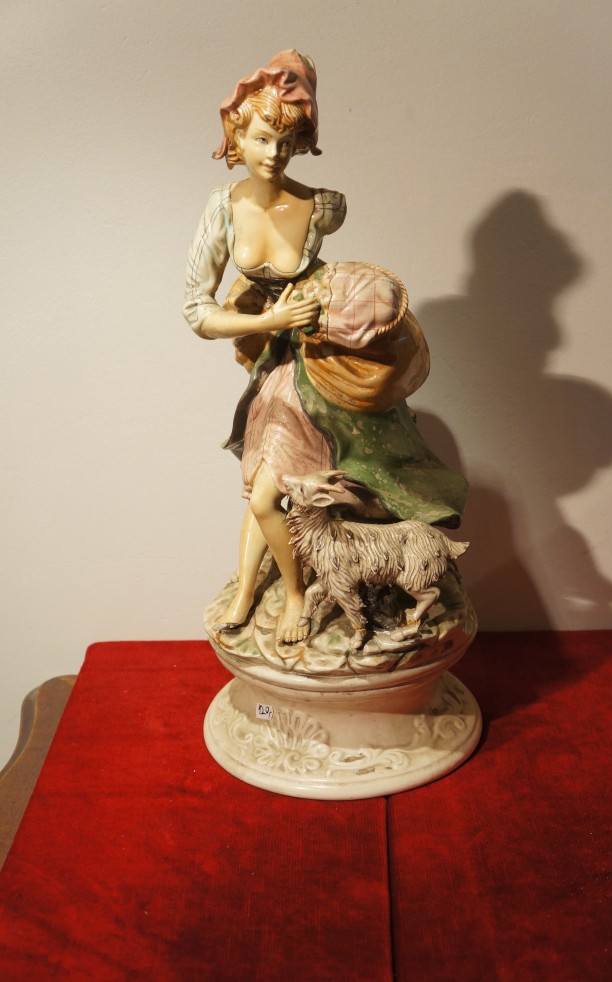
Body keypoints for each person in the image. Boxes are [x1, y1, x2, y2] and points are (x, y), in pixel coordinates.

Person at [184, 50, 467, 646]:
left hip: (330, 359)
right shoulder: (223, 208)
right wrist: (268, 319)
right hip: (278, 364)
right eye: (262, 139)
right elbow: (196, 312)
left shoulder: (322, 206)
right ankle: (265, 590)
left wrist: (339, 310)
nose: (273, 155)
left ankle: (306, 589)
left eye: (286, 144)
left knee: (308, 489)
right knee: (265, 491)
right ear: (237, 133)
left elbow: (341, 286)